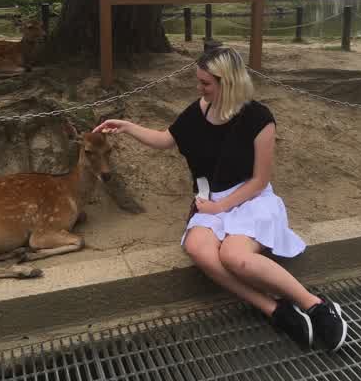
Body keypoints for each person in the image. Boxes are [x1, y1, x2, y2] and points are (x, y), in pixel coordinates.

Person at [93, 46, 347, 352]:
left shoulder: (259, 118)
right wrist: (127, 127)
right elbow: (165, 138)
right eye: (199, 81)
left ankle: (315, 305)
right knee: (198, 249)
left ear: (228, 82)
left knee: (234, 257)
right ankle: (275, 310)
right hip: (210, 199)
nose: (199, 88)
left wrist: (221, 207)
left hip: (249, 198)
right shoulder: (199, 110)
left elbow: (259, 180)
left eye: (205, 83)